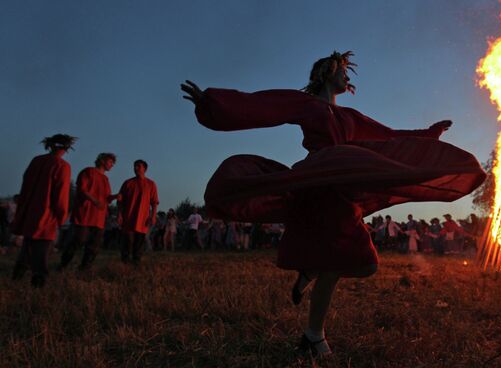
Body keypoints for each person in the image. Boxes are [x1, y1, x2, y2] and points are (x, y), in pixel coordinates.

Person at [181, 51, 485, 354]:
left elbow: (389, 136)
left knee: (361, 264)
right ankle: (313, 334)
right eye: (342, 70)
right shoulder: (306, 104)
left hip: (342, 189)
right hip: (319, 184)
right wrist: (212, 103)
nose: (347, 76)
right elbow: (260, 106)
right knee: (354, 259)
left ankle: (312, 275)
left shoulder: (350, 117)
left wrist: (431, 134)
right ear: (327, 73)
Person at [11, 134, 75, 287]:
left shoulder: (37, 161)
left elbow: (25, 183)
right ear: (66, 148)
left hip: (30, 211)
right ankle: (38, 282)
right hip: (46, 215)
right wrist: (61, 215)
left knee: (28, 245)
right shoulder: (62, 166)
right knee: (41, 249)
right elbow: (60, 194)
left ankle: (17, 277)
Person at [59, 153, 119, 271]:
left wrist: (116, 196)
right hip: (84, 214)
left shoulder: (105, 179)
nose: (112, 165)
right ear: (102, 161)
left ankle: (85, 268)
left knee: (94, 245)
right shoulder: (88, 172)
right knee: (78, 240)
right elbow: (82, 189)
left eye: (113, 163)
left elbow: (106, 198)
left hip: (99, 218)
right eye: (110, 162)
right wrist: (95, 201)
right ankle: (63, 263)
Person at [117, 160, 159, 266]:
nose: (136, 168)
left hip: (142, 218)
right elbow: (120, 201)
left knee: (139, 241)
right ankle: (125, 261)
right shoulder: (128, 183)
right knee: (128, 241)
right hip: (129, 217)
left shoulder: (150, 184)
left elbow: (154, 202)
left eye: (138, 166)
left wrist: (153, 216)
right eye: (135, 166)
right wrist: (120, 214)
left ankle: (136, 262)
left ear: (145, 169)